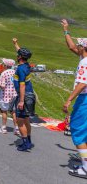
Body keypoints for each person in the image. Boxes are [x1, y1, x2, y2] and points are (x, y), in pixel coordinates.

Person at [61, 20, 87, 178]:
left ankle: (86, 168)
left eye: (79, 45)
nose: (76, 47)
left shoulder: (84, 62)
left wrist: (69, 99)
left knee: (77, 131)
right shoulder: (84, 57)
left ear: (83, 48)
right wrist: (66, 30)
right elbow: (71, 46)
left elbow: (83, 82)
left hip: (85, 99)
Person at [12, 38, 35, 151]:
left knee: (20, 121)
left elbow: (22, 85)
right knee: (26, 119)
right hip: (29, 95)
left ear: (20, 57)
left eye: (18, 55)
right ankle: (29, 141)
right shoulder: (27, 65)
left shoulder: (21, 69)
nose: (17, 55)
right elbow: (21, 51)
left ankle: (25, 143)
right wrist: (15, 43)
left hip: (23, 96)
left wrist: (21, 101)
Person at [0, 58, 19, 135]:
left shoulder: (4, 73)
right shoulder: (15, 72)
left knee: (4, 111)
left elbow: (2, 86)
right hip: (14, 94)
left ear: (6, 65)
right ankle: (16, 128)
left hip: (5, 95)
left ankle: (3, 128)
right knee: (14, 112)